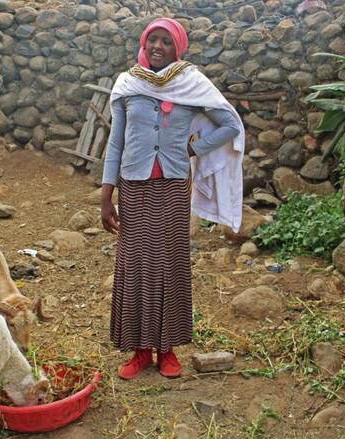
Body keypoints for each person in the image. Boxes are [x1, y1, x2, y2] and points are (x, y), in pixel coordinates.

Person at [101, 17, 245, 380]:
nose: (158, 47)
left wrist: (193, 147)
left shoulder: (190, 84)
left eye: (166, 41)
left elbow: (230, 124)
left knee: (169, 262)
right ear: (144, 44)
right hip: (133, 184)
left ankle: (166, 350)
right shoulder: (128, 84)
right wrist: (106, 196)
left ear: (177, 47)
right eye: (153, 40)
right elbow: (115, 142)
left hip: (172, 183)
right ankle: (138, 352)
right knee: (134, 263)